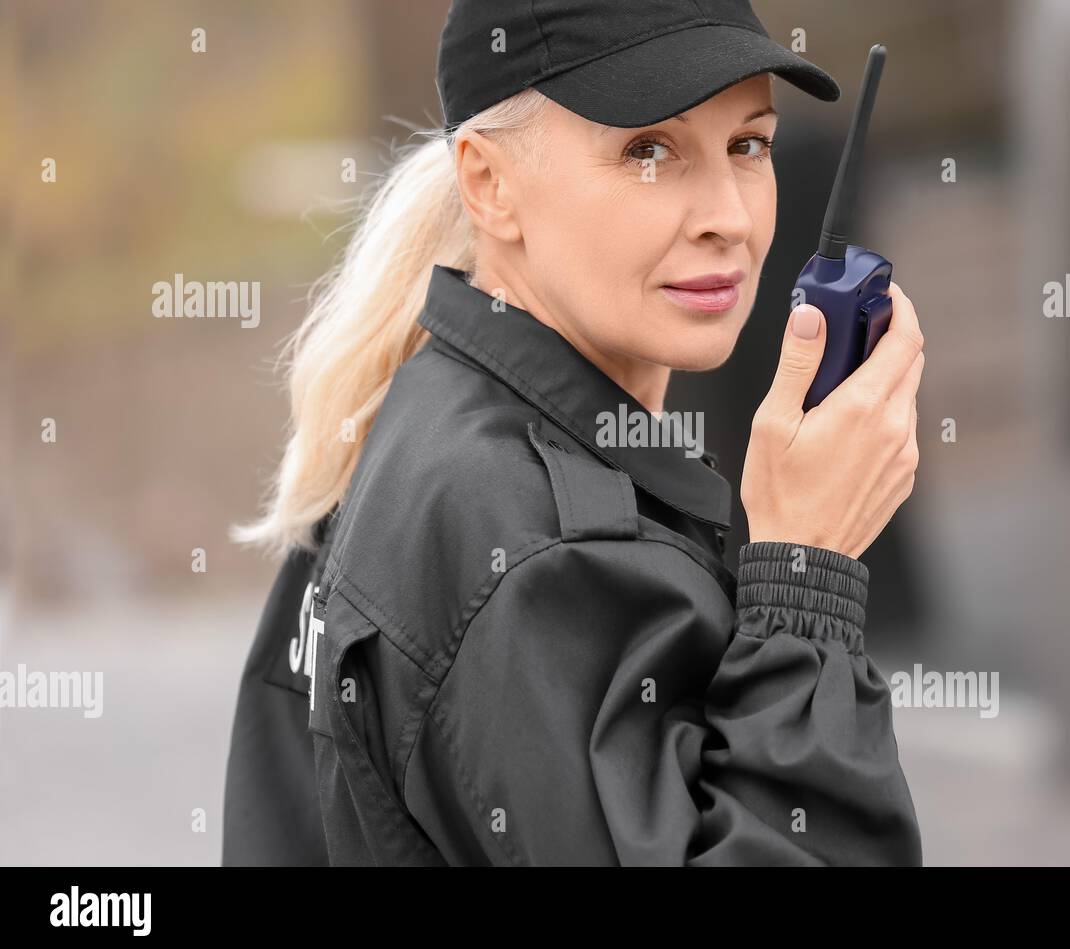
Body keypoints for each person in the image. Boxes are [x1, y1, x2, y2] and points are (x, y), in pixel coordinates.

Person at [222, 0, 926, 866]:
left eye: (748, 145)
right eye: (649, 151)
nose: (729, 219)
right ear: (489, 184)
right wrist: (806, 577)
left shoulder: (417, 411)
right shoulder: (541, 554)